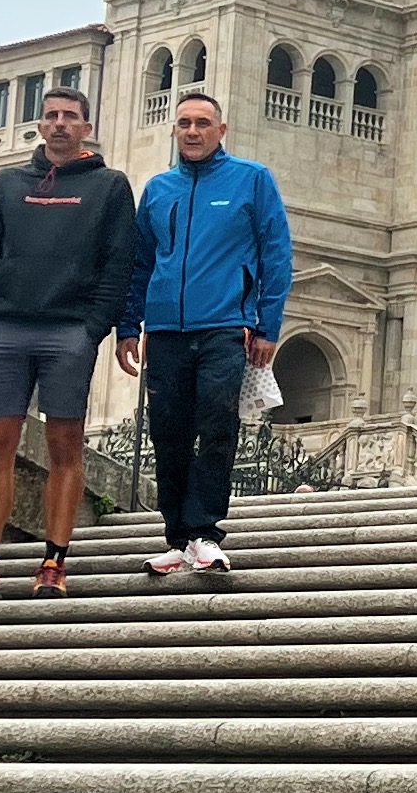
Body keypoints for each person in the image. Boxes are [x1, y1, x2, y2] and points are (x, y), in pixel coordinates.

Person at [0, 81, 138, 600]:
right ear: (40, 125)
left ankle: (54, 561)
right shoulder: (7, 183)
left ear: (86, 127)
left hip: (69, 331)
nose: (60, 123)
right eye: (51, 115)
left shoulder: (110, 187)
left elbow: (120, 264)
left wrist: (95, 327)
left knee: (65, 444)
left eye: (70, 116)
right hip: (3, 329)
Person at [114, 89, 291, 584]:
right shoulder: (158, 189)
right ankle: (177, 539)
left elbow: (276, 253)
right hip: (166, 329)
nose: (192, 131)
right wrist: (129, 325)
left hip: (224, 327)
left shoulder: (252, 181)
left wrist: (267, 325)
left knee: (215, 425)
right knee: (167, 432)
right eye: (184, 123)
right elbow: (140, 262)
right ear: (175, 130)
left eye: (202, 123)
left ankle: (206, 532)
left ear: (221, 131)